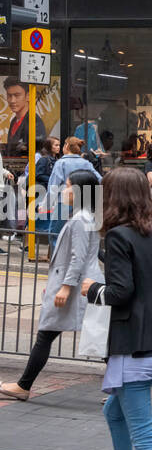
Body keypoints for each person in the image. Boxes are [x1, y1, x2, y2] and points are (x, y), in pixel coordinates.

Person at [79, 169, 152, 450]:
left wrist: (93, 289)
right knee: (114, 413)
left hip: (134, 347)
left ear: (114, 197)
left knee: (143, 433)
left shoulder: (117, 236)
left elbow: (121, 292)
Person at [1, 171, 103, 400]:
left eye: (67, 186)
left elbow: (78, 258)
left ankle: (23, 386)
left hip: (78, 288)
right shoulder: (88, 215)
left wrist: (65, 287)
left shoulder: (80, 219)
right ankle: (122, 389)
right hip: (85, 285)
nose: (63, 191)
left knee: (49, 336)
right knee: (101, 337)